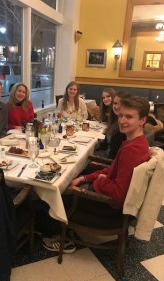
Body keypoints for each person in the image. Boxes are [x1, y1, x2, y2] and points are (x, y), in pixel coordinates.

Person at [41, 96, 150, 252]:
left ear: (142, 120)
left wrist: (98, 181)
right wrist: (85, 178)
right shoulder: (135, 142)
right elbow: (113, 169)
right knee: (73, 177)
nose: (122, 121)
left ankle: (58, 238)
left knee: (54, 195)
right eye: (121, 116)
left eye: (129, 117)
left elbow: (118, 195)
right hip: (111, 198)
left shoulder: (131, 151)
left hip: (110, 208)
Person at [95, 90, 131, 159]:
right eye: (115, 103)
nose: (116, 106)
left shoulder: (123, 127)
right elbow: (104, 144)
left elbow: (113, 156)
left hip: (107, 162)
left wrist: (94, 159)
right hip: (105, 155)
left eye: (121, 104)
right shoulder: (114, 120)